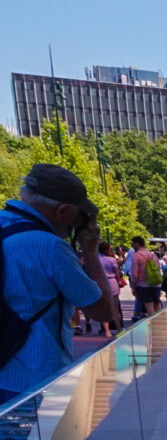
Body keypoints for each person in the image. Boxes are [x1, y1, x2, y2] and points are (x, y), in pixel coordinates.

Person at [0, 164, 119, 406]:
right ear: (63, 210)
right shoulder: (49, 246)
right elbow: (104, 311)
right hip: (34, 379)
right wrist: (90, 248)